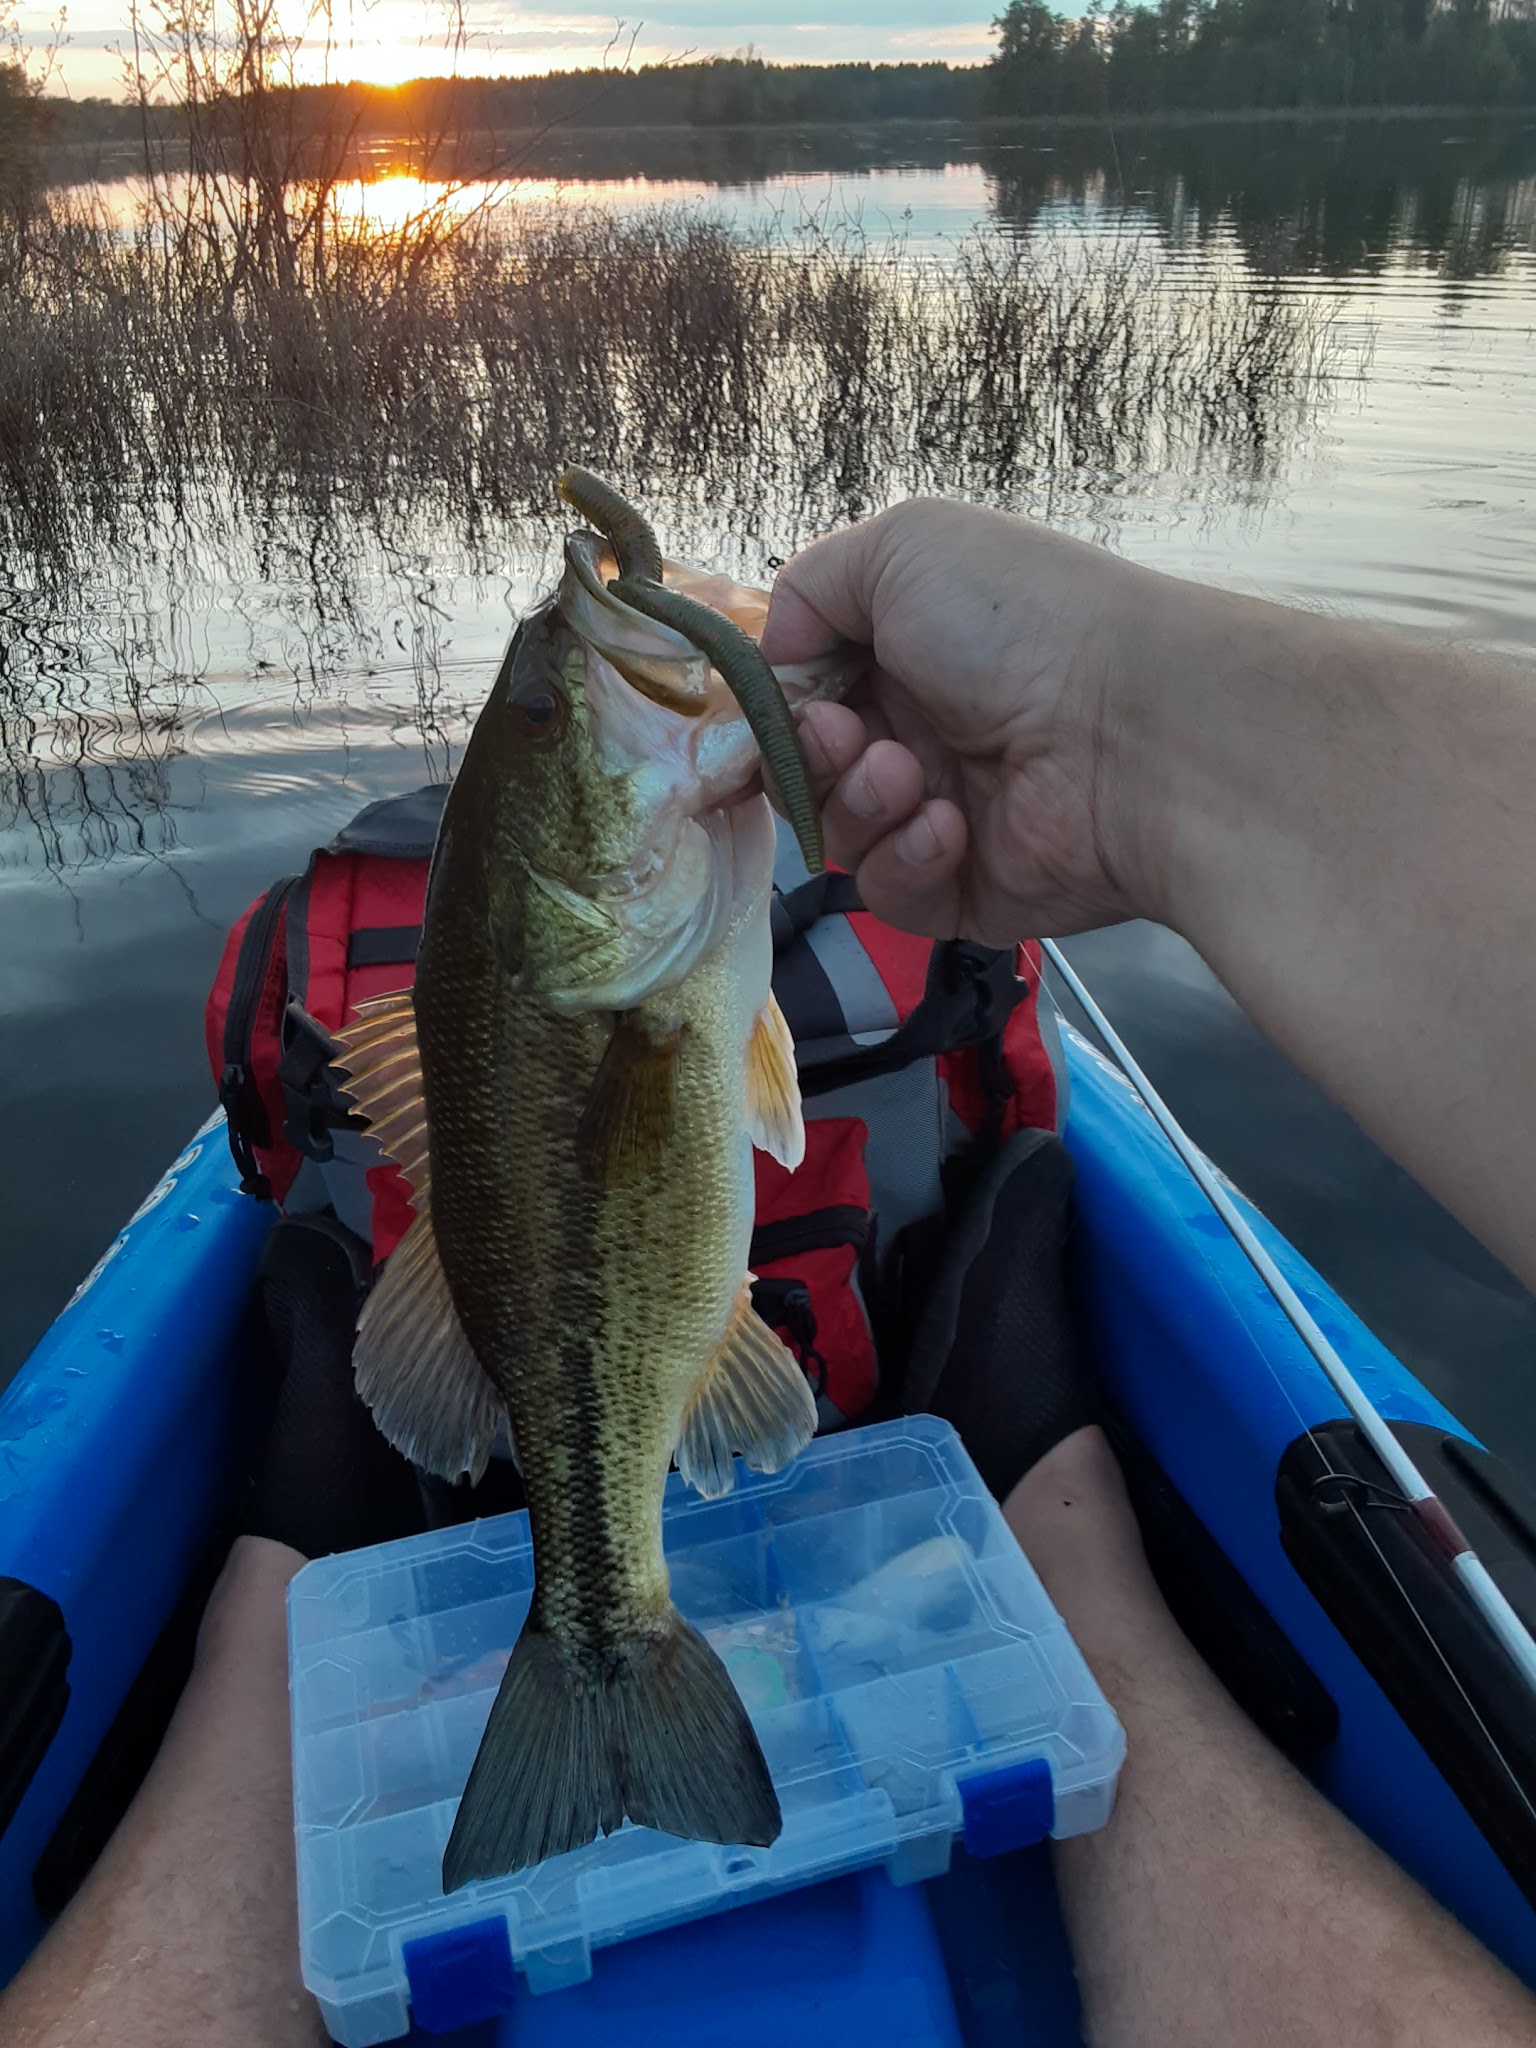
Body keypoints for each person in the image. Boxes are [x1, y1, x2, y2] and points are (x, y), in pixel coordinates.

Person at [6, 499, 1536, 2047]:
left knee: (278, 1623)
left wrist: (1110, 717)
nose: (559, 682)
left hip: (588, 1179)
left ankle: (313, 1566)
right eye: (544, 718)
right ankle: (993, 1540)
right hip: (620, 1173)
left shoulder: (615, 957)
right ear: (542, 901)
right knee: (1080, 1575)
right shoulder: (629, 975)